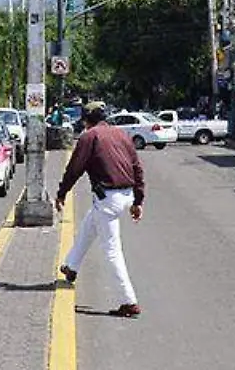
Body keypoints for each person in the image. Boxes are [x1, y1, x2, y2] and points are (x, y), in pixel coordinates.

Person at [55, 101, 145, 318]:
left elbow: (74, 168)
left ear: (87, 119)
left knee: (112, 250)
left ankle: (128, 301)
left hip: (108, 199)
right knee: (90, 223)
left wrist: (61, 193)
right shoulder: (120, 135)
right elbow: (137, 168)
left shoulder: (89, 137)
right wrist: (138, 201)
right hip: (125, 195)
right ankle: (71, 265)